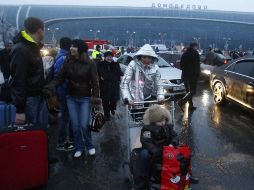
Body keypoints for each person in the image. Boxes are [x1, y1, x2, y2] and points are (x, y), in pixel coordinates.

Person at [45, 39, 101, 157]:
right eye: (70, 46)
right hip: (71, 97)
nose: (71, 48)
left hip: (85, 98)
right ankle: (79, 147)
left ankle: (89, 145)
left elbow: (95, 82)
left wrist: (96, 99)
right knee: (75, 126)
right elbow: (59, 77)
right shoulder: (68, 61)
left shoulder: (90, 63)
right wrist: (50, 86)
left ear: (80, 49)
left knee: (84, 125)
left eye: (74, 46)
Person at [10, 17, 48, 126]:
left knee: (35, 129)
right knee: (29, 131)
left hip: (35, 96)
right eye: (44, 31)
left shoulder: (31, 47)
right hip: (29, 99)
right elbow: (18, 80)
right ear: (40, 31)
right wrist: (20, 110)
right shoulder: (21, 49)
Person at [137, 104, 178, 189]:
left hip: (166, 149)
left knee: (181, 150)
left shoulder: (167, 126)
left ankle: (184, 172)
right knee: (144, 154)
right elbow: (146, 142)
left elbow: (174, 136)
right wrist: (157, 151)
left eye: (163, 120)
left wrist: (172, 143)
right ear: (153, 121)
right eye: (160, 121)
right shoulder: (147, 129)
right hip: (154, 151)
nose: (163, 122)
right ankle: (143, 178)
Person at [53, 37, 74, 151]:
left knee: (67, 117)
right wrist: (69, 86)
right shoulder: (64, 58)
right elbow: (59, 76)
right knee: (65, 117)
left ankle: (70, 139)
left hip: (62, 91)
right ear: (69, 46)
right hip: (65, 92)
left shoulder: (59, 55)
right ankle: (61, 143)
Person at [97, 51, 123, 121]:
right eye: (107, 57)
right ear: (104, 57)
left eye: (111, 57)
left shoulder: (115, 64)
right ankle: (107, 115)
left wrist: (121, 76)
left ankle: (112, 108)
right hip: (104, 85)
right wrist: (100, 78)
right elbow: (96, 74)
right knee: (105, 101)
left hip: (114, 85)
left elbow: (120, 72)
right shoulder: (100, 64)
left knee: (113, 100)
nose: (109, 58)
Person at [177, 42, 200, 112]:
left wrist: (185, 69)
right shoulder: (195, 53)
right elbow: (197, 65)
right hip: (192, 76)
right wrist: (197, 74)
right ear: (195, 47)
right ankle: (181, 102)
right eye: (196, 46)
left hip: (184, 75)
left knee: (188, 91)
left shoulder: (185, 53)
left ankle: (191, 105)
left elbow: (181, 64)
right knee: (193, 91)